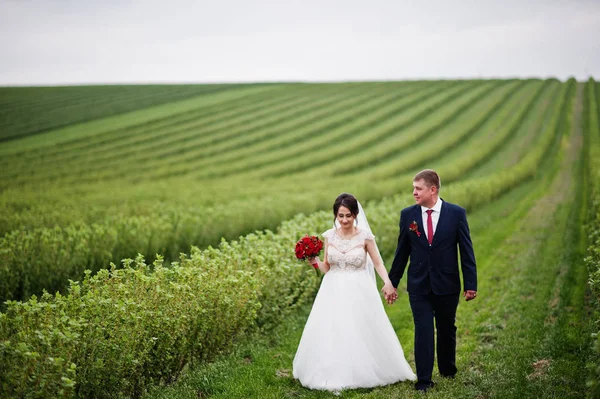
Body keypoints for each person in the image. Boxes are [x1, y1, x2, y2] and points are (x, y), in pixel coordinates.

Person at [293, 193, 416, 392]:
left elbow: (378, 262)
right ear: (335, 216)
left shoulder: (365, 237)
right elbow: (327, 267)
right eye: (340, 216)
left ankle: (364, 369)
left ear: (356, 214)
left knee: (359, 328)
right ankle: (331, 370)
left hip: (359, 287)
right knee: (333, 329)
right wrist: (314, 262)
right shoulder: (329, 236)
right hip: (332, 289)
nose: (344, 220)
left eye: (348, 215)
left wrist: (388, 282)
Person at [387, 169, 477, 392]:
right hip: (418, 284)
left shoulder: (456, 214)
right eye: (413, 188)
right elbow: (402, 252)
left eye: (418, 188)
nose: (414, 193)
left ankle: (447, 369)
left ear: (433, 189)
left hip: (447, 283)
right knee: (423, 329)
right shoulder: (408, 215)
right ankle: (424, 380)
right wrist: (392, 282)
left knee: (447, 328)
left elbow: (466, 251)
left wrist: (471, 284)